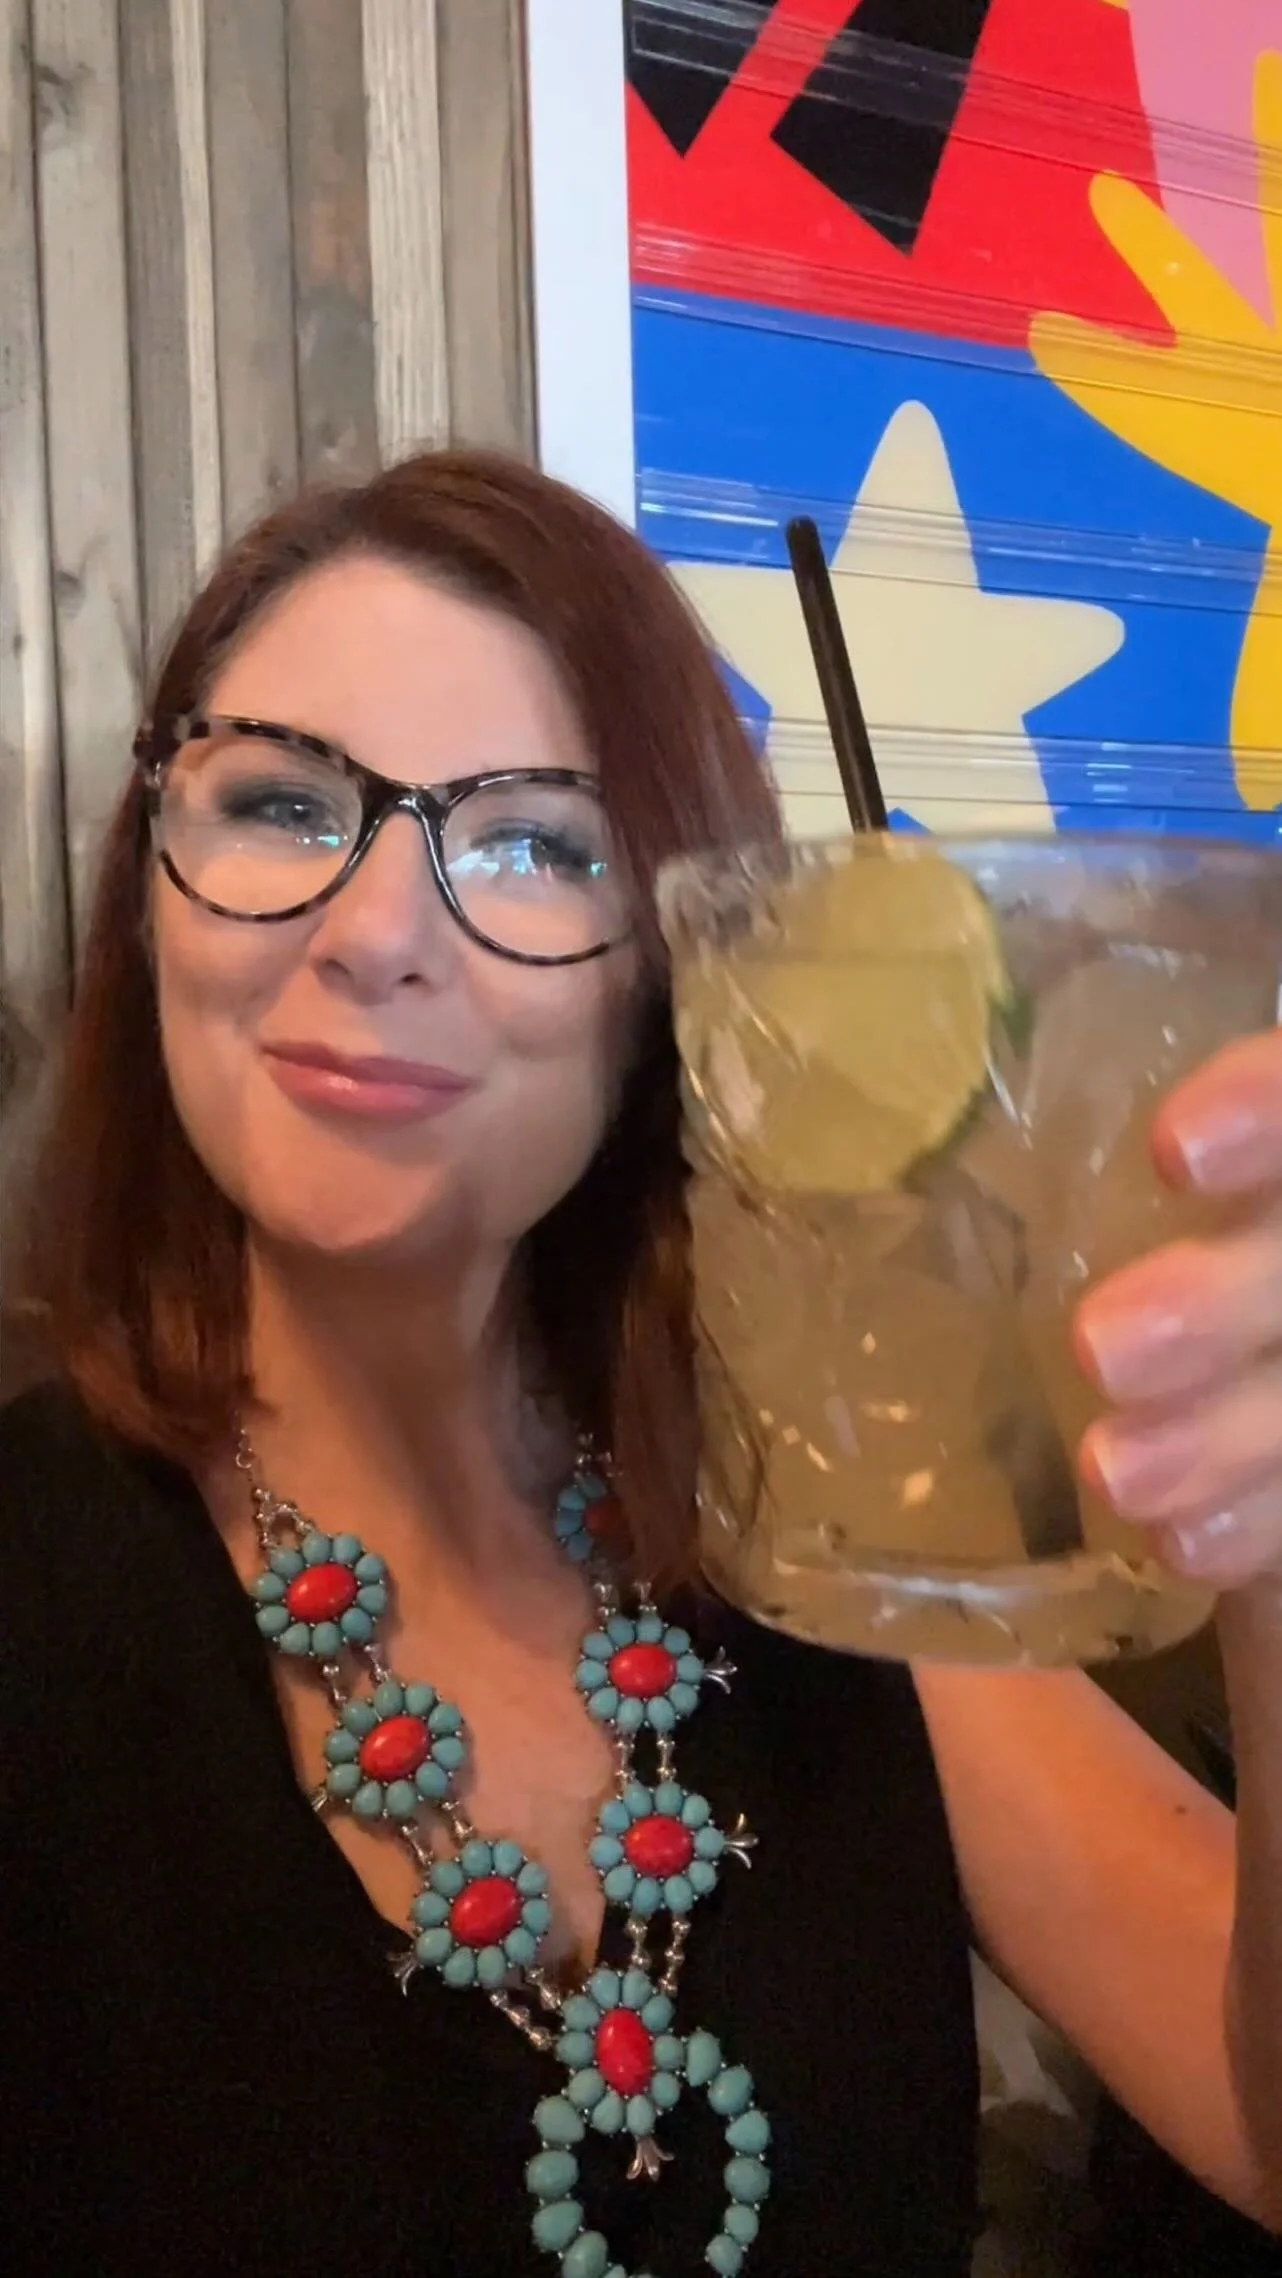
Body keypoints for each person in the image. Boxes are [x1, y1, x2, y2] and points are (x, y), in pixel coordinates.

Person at [2, 450, 1280, 2278]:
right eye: (281, 802)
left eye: (533, 842)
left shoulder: (834, 1518)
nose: (373, 934)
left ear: (673, 980)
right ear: (150, 891)